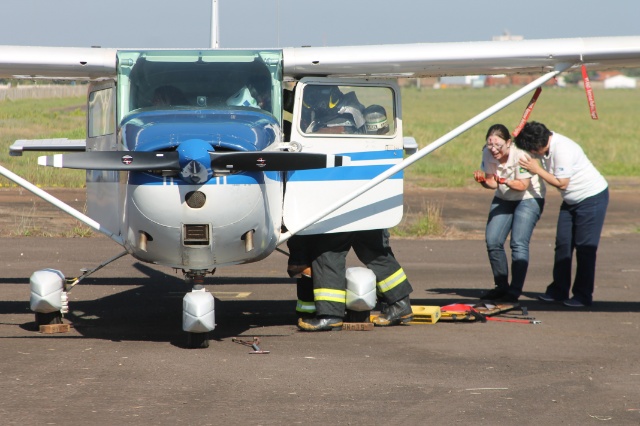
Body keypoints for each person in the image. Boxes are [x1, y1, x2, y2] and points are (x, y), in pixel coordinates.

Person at [291, 100, 413, 331]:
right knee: (375, 251)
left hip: (345, 202)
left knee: (327, 252)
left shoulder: (332, 124)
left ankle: (330, 314)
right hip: (369, 202)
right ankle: (400, 305)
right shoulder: (363, 130)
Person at [515, 121, 609, 307]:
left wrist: (537, 170)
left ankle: (583, 295)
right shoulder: (543, 144)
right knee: (563, 244)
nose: (532, 154)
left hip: (591, 198)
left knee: (585, 248)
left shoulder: (562, 149)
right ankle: (558, 290)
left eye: (532, 150)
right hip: (570, 201)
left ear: (539, 146)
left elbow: (562, 183)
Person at [473, 124, 545, 303]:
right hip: (504, 197)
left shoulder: (521, 155)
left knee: (518, 243)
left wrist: (503, 180)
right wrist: (483, 181)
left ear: (508, 142)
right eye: (490, 145)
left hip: (528, 198)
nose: (494, 149)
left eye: (498, 145)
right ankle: (501, 286)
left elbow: (522, 186)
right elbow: (492, 182)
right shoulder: (487, 153)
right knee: (493, 240)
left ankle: (515, 290)